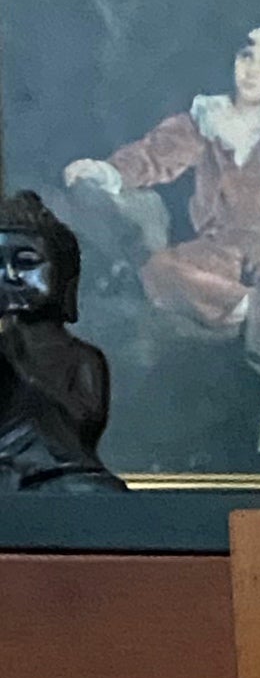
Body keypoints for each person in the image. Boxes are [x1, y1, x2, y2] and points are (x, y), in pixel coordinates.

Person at [61, 24, 260, 462]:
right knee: (160, 270)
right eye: (246, 56)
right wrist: (105, 171)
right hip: (220, 243)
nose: (251, 72)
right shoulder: (205, 119)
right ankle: (251, 306)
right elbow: (155, 155)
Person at [0, 190, 122, 491]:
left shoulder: (82, 358)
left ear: (62, 272)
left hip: (61, 475)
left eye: (27, 262)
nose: (10, 275)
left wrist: (27, 382)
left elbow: (82, 426)